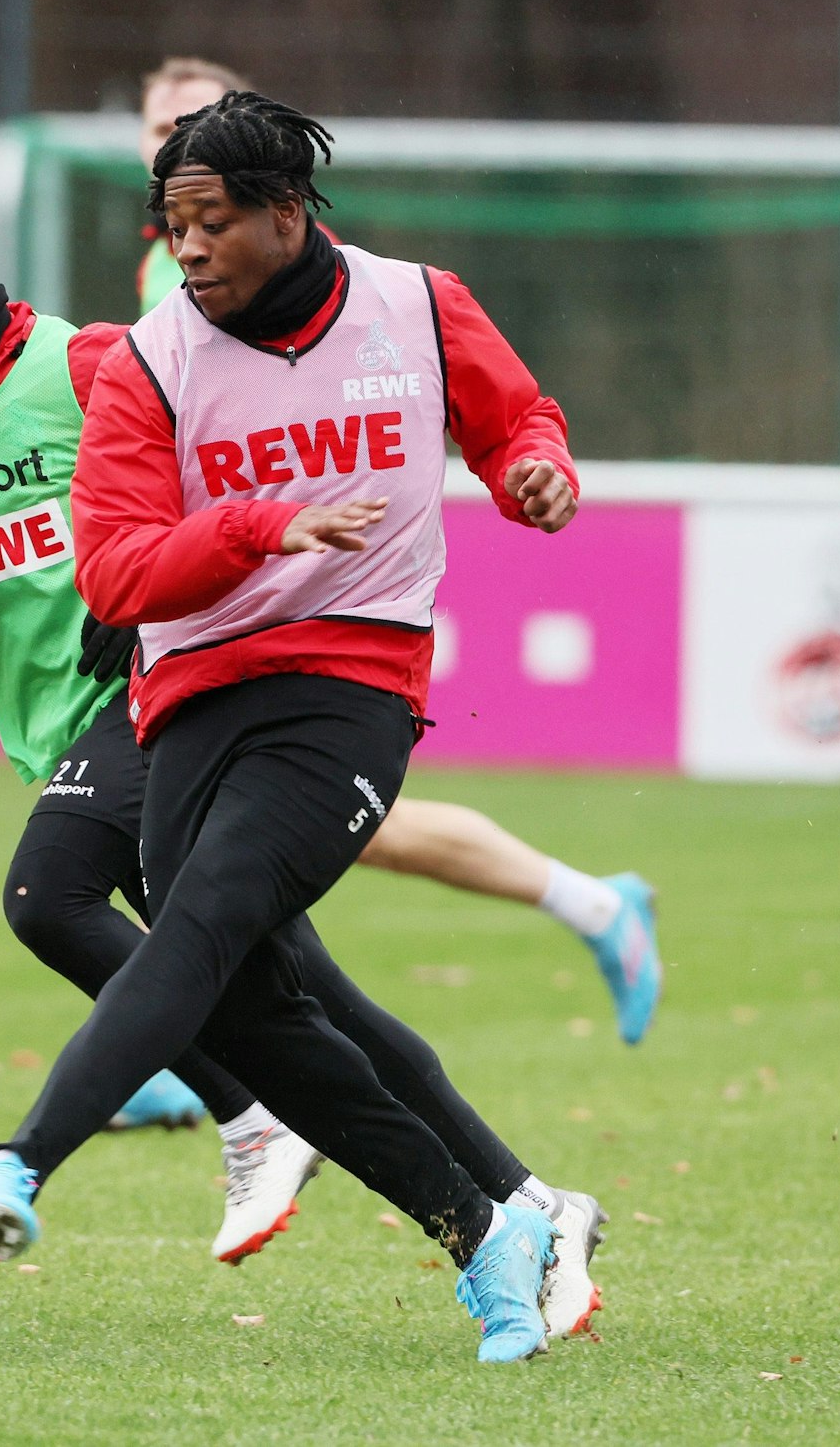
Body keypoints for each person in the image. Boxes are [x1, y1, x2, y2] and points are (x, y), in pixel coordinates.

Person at [0, 157, 604, 1351]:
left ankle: (142, 1140)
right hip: (80, 729)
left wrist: (138, 581)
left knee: (58, 901)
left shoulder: (92, 362)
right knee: (282, 998)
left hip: (160, 694)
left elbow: (184, 477)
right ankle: (509, 1210)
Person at [134, 57, 662, 1043]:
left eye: (197, 120)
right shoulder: (171, 288)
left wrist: (532, 468)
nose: (174, 138)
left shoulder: (380, 298)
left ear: (275, 193)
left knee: (197, 866)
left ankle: (214, 1062)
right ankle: (229, 1056)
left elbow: (508, 418)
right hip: (194, 622)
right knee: (229, 866)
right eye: (160, 121)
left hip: (308, 644)